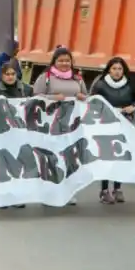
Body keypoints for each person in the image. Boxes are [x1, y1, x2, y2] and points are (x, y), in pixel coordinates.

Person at [33, 46, 87, 206]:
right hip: (50, 125)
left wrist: (82, 96)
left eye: (67, 60)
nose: (64, 63)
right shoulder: (46, 77)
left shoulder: (78, 79)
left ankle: (68, 191)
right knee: (50, 157)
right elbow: (35, 96)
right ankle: (48, 192)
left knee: (71, 157)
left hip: (72, 125)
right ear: (54, 62)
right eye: (61, 60)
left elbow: (87, 97)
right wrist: (52, 97)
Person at [90, 56, 135, 204]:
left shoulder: (130, 84)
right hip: (106, 124)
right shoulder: (101, 85)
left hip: (125, 123)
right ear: (109, 70)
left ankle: (117, 188)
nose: (117, 72)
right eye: (114, 69)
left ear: (124, 71)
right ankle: (104, 190)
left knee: (121, 157)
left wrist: (132, 106)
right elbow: (92, 102)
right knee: (107, 157)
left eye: (120, 69)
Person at [0, 62, 33, 209]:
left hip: (20, 133)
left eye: (13, 74)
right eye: (7, 74)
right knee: (2, 165)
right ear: (1, 75)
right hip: (1, 132)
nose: (10, 77)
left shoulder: (27, 90)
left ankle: (17, 196)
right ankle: (2, 196)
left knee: (18, 164)